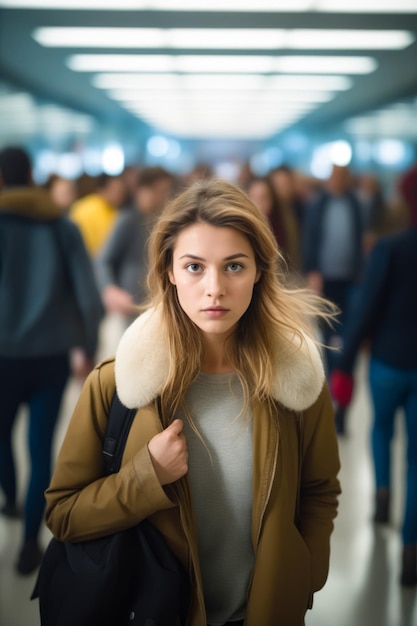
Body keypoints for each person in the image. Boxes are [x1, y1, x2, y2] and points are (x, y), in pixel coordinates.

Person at [44, 178, 341, 626]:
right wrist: (147, 477)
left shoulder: (295, 382)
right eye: (195, 267)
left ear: (260, 270)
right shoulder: (117, 384)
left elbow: (320, 491)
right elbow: (63, 513)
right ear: (169, 270)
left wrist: (305, 575)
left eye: (234, 266)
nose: (214, 288)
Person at [0, 146, 104, 575]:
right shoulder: (62, 225)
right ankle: (29, 544)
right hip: (51, 357)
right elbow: (88, 296)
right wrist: (90, 346)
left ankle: (10, 497)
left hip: (2, 356)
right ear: (33, 175)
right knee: (41, 448)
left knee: (1, 436)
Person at [330, 223, 417, 587]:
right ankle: (411, 551)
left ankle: (382, 495)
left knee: (380, 429)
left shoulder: (392, 248)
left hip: (387, 361)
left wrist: (345, 363)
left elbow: (367, 305)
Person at [94, 166, 174, 324]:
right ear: (144, 190)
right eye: (160, 191)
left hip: (155, 302)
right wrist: (110, 289)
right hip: (132, 303)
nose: (165, 197)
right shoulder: (128, 219)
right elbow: (103, 260)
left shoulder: (162, 220)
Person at [70, 172, 127, 256]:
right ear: (103, 190)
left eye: (122, 192)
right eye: (117, 191)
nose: (121, 195)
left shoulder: (115, 211)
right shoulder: (89, 209)